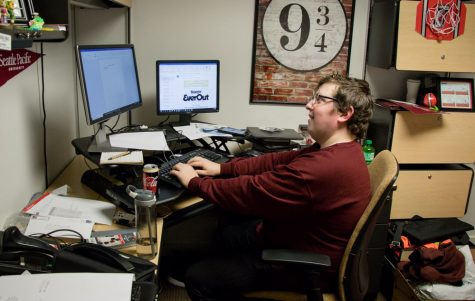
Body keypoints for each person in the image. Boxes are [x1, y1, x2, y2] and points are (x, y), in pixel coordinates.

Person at [169, 74, 375, 300]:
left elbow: (252, 191)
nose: (309, 104)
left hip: (302, 266)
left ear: (345, 114)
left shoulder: (324, 168)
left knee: (199, 279)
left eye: (319, 99)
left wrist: (195, 183)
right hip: (291, 236)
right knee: (228, 231)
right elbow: (277, 160)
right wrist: (222, 169)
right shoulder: (339, 150)